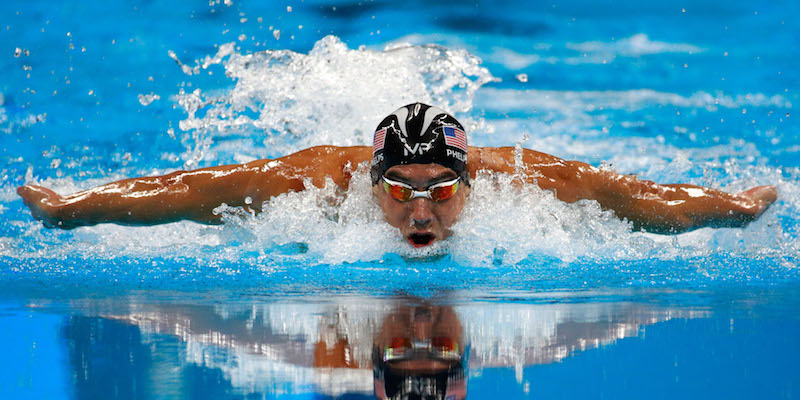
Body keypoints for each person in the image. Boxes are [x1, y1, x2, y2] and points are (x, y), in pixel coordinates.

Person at [17, 102, 777, 248]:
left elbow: (647, 201)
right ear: (371, 183)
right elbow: (189, 190)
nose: (422, 212)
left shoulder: (535, 184)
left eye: (441, 190)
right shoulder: (310, 184)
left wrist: (734, 209)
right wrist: (73, 208)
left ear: (469, 183)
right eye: (402, 189)